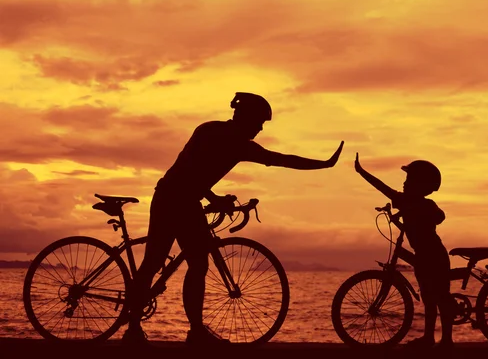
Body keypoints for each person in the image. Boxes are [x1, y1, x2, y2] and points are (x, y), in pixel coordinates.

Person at [123, 92, 344, 345]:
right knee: (164, 263)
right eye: (260, 121)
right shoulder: (216, 135)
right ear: (246, 117)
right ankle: (148, 329)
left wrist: (323, 164)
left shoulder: (230, 140)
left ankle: (178, 330)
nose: (261, 128)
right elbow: (189, 172)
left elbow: (279, 159)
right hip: (173, 198)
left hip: (182, 199)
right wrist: (213, 198)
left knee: (186, 263)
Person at [354, 153, 454, 349]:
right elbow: (417, 226)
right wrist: (399, 220)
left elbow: (438, 216)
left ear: (420, 184)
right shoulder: (410, 202)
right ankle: (431, 338)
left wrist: (362, 172)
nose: (404, 183)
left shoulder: (419, 204)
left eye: (409, 179)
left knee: (439, 298)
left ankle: (446, 340)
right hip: (427, 256)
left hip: (433, 257)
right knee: (429, 297)